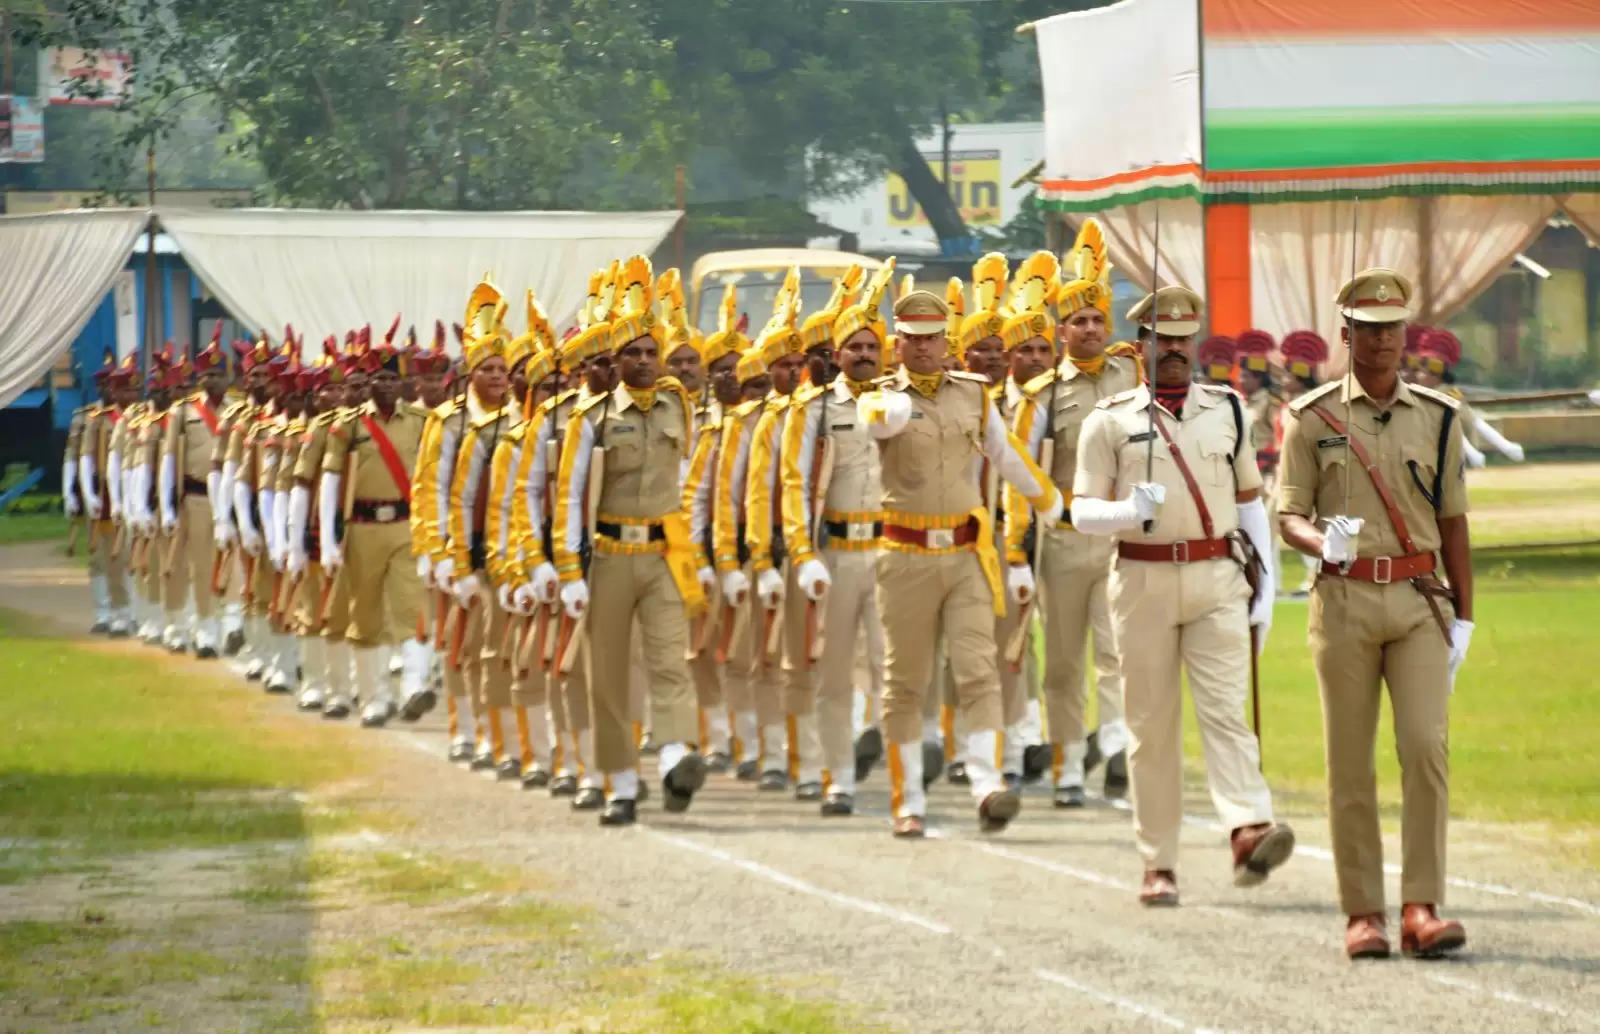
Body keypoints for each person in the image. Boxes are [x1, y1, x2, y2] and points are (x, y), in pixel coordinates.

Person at [1069, 285, 1293, 906]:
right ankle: (1157, 863)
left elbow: (1249, 504)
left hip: (1216, 578)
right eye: (1162, 340)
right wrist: (1123, 511)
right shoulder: (1107, 420)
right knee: (1151, 729)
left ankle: (1248, 826)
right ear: (1140, 346)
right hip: (1139, 581)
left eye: (1183, 340)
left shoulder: (1227, 410)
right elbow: (1081, 511)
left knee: (1226, 711)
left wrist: (1266, 587)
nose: (1174, 350)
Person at [1278, 268, 1472, 961]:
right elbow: (1287, 514)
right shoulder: (1312, 417)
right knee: (1349, 764)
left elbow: (1454, 524)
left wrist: (1466, 617)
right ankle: (1363, 912)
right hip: (1346, 600)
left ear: (1405, 333)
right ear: (1347, 334)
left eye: (1393, 328)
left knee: (1425, 748)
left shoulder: (1440, 416)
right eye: (1369, 329)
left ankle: (1422, 905)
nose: (1383, 340)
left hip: (1421, 603)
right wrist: (1316, 540)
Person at [856, 287, 1063, 838]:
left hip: (969, 553)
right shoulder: (878, 398)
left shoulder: (973, 395)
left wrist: (1051, 501)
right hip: (903, 555)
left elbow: (1006, 453)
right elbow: (874, 421)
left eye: (932, 339)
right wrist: (891, 405)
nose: (923, 349)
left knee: (979, 670)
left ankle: (987, 783)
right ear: (895, 343)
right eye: (912, 339)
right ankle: (909, 801)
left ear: (946, 341)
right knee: (906, 681)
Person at [552, 255, 715, 826]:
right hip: (610, 556)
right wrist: (569, 572)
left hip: (665, 552)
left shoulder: (678, 405)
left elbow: (690, 479)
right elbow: (570, 497)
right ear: (615, 361)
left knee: (672, 661)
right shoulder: (590, 418)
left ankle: (674, 757)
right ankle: (621, 783)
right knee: (611, 673)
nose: (645, 362)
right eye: (633, 354)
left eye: (652, 353)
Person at [1006, 219, 1136, 807]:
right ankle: (1065, 766)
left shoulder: (1132, 375)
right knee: (1062, 663)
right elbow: (1018, 463)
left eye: (1097, 320)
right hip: (1062, 541)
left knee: (1118, 654)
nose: (1089, 328)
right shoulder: (1043, 396)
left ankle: (1114, 751)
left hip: (1119, 538)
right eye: (1078, 320)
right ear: (1061, 332)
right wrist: (1031, 521)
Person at [320, 333, 432, 727]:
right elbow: (331, 480)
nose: (383, 386)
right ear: (366, 385)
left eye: (390, 379)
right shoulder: (349, 426)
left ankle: (415, 686)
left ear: (401, 383)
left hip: (406, 525)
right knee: (365, 615)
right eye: (376, 380)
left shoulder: (419, 423)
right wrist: (329, 540)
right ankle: (374, 698)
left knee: (412, 606)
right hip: (362, 527)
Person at [679, 283, 749, 772]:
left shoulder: (760, 422)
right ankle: (714, 739)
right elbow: (691, 494)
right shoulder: (692, 421)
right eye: (719, 370)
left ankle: (747, 740)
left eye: (735, 370)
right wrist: (696, 556)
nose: (727, 377)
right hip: (697, 551)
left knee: (746, 650)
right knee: (700, 650)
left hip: (751, 550)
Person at [160, 331, 233, 658]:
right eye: (207, 374)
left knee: (236, 567)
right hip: (197, 497)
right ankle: (205, 629)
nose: (212, 380)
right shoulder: (183, 412)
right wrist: (168, 507)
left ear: (228, 377)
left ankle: (233, 624)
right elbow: (169, 459)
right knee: (202, 566)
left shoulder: (238, 410)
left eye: (218, 374)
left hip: (233, 500)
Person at [79, 353, 138, 637]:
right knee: (106, 557)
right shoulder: (99, 420)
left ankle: (136, 611)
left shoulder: (146, 418)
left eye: (132, 388)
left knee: (135, 557)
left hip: (140, 495)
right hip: (108, 495)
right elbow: (86, 458)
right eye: (122, 388)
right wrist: (88, 493)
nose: (128, 394)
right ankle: (112, 612)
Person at [1407, 328, 1525, 467]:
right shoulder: (1417, 371)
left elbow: (1469, 417)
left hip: (1447, 400)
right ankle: (1478, 452)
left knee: (1463, 416)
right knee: (1449, 420)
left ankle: (1502, 447)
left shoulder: (1448, 388)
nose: (1423, 374)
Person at [1274, 330, 1329, 599]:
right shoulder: (1286, 405)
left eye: (1288, 375)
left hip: (1309, 472)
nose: (1283, 381)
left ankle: (1315, 577)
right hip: (1282, 473)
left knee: (1312, 525)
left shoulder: (1314, 405)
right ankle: (1271, 584)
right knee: (1272, 526)